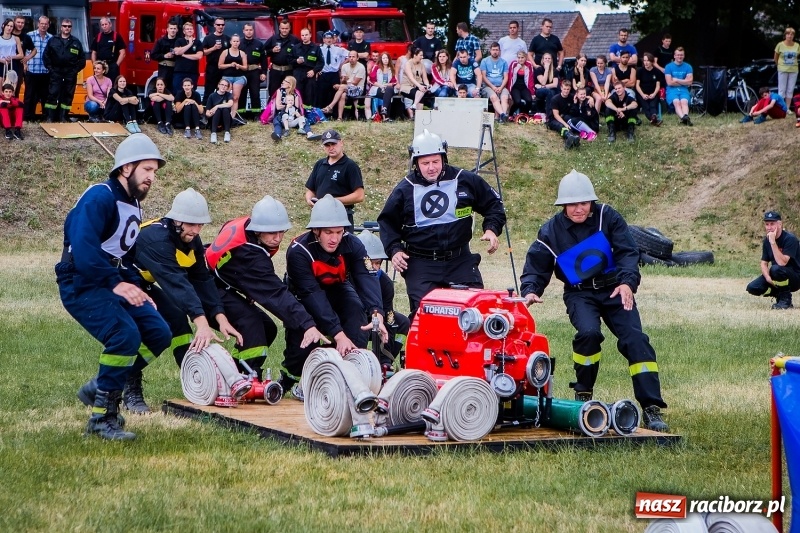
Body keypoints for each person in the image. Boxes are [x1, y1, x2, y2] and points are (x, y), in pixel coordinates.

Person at [519, 169, 668, 432]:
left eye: (584, 203)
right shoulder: (550, 231)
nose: (579, 209)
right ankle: (583, 394)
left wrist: (627, 283)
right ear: (563, 205)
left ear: (592, 203)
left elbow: (627, 253)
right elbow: (537, 266)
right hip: (580, 294)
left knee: (636, 340)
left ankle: (651, 408)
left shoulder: (607, 217)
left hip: (614, 289)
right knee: (588, 334)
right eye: (573, 204)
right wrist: (531, 290)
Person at [56, 134, 171, 440]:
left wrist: (135, 286)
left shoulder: (132, 205)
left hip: (109, 279)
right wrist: (115, 284)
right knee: (125, 335)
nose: (151, 177)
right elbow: (82, 249)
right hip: (80, 280)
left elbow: (122, 256)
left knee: (159, 333)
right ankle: (101, 419)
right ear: (126, 168)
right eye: (146, 169)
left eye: (154, 172)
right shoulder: (99, 197)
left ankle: (103, 385)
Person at [377, 130, 506, 319]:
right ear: (416, 163)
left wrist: (491, 229)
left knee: (473, 313)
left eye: (435, 161)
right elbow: (387, 222)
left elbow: (494, 204)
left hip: (460, 260)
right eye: (425, 163)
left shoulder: (465, 179)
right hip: (421, 264)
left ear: (443, 158)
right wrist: (394, 250)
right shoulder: (404, 189)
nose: (431, 168)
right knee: (426, 318)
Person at [206, 195, 326, 381]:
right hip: (207, 288)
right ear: (258, 230)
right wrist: (307, 324)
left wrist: (245, 285)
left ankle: (232, 372)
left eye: (281, 232)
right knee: (251, 325)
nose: (277, 238)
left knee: (268, 328)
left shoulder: (245, 224)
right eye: (272, 233)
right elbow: (276, 295)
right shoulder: (250, 256)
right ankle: (246, 379)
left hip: (221, 282)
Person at [283, 194, 387, 397]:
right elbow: (312, 295)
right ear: (315, 231)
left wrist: (377, 312)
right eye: (328, 232)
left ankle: (347, 376)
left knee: (356, 313)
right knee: (303, 343)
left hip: (337, 287)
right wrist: (338, 334)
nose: (334, 239)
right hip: (304, 295)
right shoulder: (298, 252)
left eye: (339, 232)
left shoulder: (353, 244)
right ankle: (292, 381)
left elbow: (366, 277)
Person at [134, 188, 243, 378]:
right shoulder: (157, 239)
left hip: (141, 284)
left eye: (200, 225)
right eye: (192, 224)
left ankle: (192, 377)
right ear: (176, 220)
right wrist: (201, 323)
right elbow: (176, 283)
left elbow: (201, 278)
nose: (196, 230)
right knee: (155, 328)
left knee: (176, 319)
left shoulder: (191, 238)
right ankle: (128, 377)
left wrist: (219, 315)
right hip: (117, 283)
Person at [357, 230, 410, 369]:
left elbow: (389, 317)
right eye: (371, 263)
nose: (376, 268)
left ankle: (383, 363)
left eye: (378, 263)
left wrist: (385, 357)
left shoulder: (385, 284)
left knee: (402, 323)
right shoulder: (349, 278)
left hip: (376, 319)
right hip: (354, 320)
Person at [305, 129, 364, 231]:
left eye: (333, 144)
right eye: (327, 145)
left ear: (341, 143)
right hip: (320, 216)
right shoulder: (319, 164)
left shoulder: (350, 166)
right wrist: (309, 199)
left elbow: (359, 195)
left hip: (341, 217)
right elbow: (311, 189)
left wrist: (332, 202)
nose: (331, 148)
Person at [746, 210, 800, 310]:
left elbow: (782, 262)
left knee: (776, 269)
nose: (769, 227)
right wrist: (767, 278)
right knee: (753, 288)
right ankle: (779, 293)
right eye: (767, 224)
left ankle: (786, 300)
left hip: (795, 277)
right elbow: (764, 262)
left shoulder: (790, 239)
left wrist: (773, 242)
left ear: (779, 224)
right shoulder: (767, 240)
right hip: (776, 275)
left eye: (772, 224)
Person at [42, 18, 84, 122]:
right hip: (55, 72)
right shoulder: (53, 40)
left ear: (71, 28)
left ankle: (64, 117)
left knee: (68, 95)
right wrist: (50, 69)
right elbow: (46, 55)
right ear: (61, 27)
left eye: (69, 26)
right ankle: (50, 117)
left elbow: (82, 59)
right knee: (52, 93)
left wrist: (75, 71)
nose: (67, 28)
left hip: (70, 73)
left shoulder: (76, 42)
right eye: (65, 26)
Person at [267, 75, 321, 141]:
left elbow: (297, 107)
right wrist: (287, 106)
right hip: (282, 115)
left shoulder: (296, 94)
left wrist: (297, 114)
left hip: (292, 116)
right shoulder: (279, 91)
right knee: (276, 121)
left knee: (304, 120)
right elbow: (278, 107)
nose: (282, 82)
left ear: (290, 85)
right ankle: (278, 135)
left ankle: (310, 134)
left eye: (285, 81)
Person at [321, 50, 365, 121]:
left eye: (353, 57)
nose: (351, 58)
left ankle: (330, 107)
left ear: (357, 58)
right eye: (350, 57)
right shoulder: (344, 66)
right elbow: (343, 82)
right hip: (347, 88)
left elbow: (355, 83)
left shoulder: (361, 67)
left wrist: (341, 85)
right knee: (342, 95)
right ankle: (339, 117)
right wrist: (343, 80)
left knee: (341, 87)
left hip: (358, 89)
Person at [24, 15, 51, 121]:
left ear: (48, 25)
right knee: (30, 96)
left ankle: (45, 117)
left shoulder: (51, 38)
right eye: (42, 24)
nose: (43, 26)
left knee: (45, 96)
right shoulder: (29, 36)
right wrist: (25, 64)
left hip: (45, 71)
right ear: (38, 24)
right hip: (32, 71)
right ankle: (28, 117)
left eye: (46, 24)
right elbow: (24, 51)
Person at [265, 20, 299, 100]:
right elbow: (263, 52)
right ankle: (272, 111)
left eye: (286, 28)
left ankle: (288, 111)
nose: (284, 30)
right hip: (275, 71)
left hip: (289, 71)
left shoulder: (295, 40)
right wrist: (272, 51)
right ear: (279, 28)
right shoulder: (273, 39)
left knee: (290, 92)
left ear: (289, 28)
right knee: (273, 92)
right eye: (283, 28)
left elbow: (300, 53)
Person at [218, 33, 247, 124]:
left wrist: (239, 66)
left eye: (237, 41)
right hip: (227, 77)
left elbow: (245, 67)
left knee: (235, 97)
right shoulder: (225, 52)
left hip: (239, 77)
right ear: (230, 42)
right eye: (234, 41)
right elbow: (220, 66)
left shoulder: (242, 53)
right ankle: (224, 115)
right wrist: (230, 65)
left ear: (239, 42)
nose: (235, 43)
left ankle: (232, 117)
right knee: (225, 97)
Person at [289, 28, 322, 107]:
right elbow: (289, 60)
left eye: (306, 35)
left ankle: (309, 114)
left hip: (310, 73)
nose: (304, 37)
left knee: (310, 94)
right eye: (302, 35)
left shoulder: (316, 48)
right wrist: (296, 61)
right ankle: (298, 112)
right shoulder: (296, 48)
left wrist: (314, 71)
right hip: (298, 72)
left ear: (310, 35)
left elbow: (321, 62)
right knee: (298, 93)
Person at [202, 17, 230, 106]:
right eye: (218, 24)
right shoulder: (208, 38)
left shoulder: (227, 39)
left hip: (224, 69)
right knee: (209, 91)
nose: (220, 26)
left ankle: (222, 111)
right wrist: (213, 48)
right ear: (214, 25)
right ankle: (205, 114)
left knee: (224, 91)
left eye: (222, 25)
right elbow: (203, 52)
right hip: (212, 68)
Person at [240, 23, 267, 115]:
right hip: (241, 72)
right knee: (241, 94)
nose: (249, 32)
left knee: (255, 93)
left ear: (253, 31)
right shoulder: (239, 43)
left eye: (250, 30)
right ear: (243, 31)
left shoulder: (259, 44)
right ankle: (241, 114)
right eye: (247, 30)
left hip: (254, 71)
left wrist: (263, 73)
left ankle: (256, 115)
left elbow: (264, 60)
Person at [480, 42, 510, 122]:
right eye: (493, 50)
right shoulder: (485, 61)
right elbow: (483, 76)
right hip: (488, 86)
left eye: (497, 50)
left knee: (504, 97)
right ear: (490, 50)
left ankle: (501, 117)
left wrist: (501, 87)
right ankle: (503, 115)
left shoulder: (504, 62)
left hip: (501, 86)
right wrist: (493, 87)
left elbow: (506, 77)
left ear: (499, 51)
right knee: (494, 97)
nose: (495, 51)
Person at [546, 79, 581, 149]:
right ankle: (570, 137)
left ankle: (572, 139)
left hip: (565, 117)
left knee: (570, 126)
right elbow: (556, 115)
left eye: (568, 89)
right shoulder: (555, 99)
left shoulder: (572, 97)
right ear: (561, 88)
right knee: (561, 126)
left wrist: (590, 98)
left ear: (570, 89)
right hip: (553, 119)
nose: (566, 91)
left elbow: (583, 96)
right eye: (564, 89)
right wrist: (565, 124)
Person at [317, 31, 347, 108]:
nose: (329, 40)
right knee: (322, 94)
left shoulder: (338, 49)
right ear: (323, 39)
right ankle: (322, 112)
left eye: (330, 38)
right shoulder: (319, 49)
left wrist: (342, 64)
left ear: (333, 39)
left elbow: (350, 55)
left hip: (334, 74)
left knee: (334, 93)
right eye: (327, 38)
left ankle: (333, 114)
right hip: (323, 74)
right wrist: (317, 70)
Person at [172, 22, 203, 96]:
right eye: (187, 29)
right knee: (178, 92)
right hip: (179, 71)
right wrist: (189, 44)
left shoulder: (198, 42)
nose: (189, 30)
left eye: (191, 29)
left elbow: (199, 56)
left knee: (191, 93)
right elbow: (177, 51)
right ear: (184, 31)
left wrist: (184, 55)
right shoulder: (179, 41)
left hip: (193, 72)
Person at [90, 17, 126, 81]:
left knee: (112, 87)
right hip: (100, 66)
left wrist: (116, 65)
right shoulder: (98, 36)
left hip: (112, 66)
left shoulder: (116, 36)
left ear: (110, 24)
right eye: (102, 25)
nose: (104, 26)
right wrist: (95, 65)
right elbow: (93, 52)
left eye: (106, 24)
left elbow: (122, 53)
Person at [664, 47, 693, 126]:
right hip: (672, 90)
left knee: (684, 102)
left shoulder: (688, 67)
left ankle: (685, 117)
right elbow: (669, 82)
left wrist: (676, 80)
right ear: (674, 56)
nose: (679, 57)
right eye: (678, 55)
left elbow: (690, 82)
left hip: (683, 90)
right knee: (677, 102)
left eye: (681, 55)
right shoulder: (668, 67)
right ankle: (684, 118)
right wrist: (684, 81)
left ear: (684, 56)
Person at [400, 47, 430, 118]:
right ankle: (418, 114)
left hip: (418, 86)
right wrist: (420, 86)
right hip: (407, 86)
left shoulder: (422, 64)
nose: (422, 57)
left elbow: (425, 78)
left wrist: (427, 85)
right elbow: (411, 78)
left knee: (422, 90)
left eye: (422, 55)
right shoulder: (408, 64)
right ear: (415, 55)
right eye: (421, 55)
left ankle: (415, 107)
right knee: (420, 92)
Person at [365, 51, 396, 121]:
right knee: (389, 93)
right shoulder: (376, 67)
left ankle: (384, 109)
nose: (385, 59)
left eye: (387, 58)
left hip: (387, 88)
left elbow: (394, 82)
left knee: (389, 90)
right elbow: (371, 80)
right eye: (384, 58)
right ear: (381, 59)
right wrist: (381, 86)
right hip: (377, 88)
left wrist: (386, 85)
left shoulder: (391, 68)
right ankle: (386, 116)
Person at [636, 52, 662, 126]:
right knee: (646, 106)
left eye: (648, 61)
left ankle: (654, 117)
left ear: (652, 61)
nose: (646, 63)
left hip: (653, 92)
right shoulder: (640, 71)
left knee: (653, 105)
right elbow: (637, 85)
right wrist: (643, 94)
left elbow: (658, 85)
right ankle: (653, 119)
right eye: (644, 60)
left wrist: (654, 94)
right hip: (642, 93)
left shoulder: (657, 72)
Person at [150, 21, 179, 87]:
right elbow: (153, 55)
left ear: (177, 30)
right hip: (164, 69)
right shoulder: (161, 41)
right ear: (167, 29)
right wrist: (164, 56)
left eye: (174, 29)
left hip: (176, 69)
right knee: (163, 88)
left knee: (175, 89)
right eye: (171, 28)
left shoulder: (179, 41)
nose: (173, 30)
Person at [205, 78, 233, 144]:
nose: (223, 86)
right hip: (215, 118)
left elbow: (230, 104)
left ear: (227, 88)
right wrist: (211, 112)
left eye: (226, 86)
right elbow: (207, 113)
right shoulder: (212, 96)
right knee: (217, 111)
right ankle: (213, 133)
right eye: (222, 84)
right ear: (218, 85)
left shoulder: (228, 95)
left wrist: (217, 106)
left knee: (225, 109)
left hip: (225, 118)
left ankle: (227, 132)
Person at [507, 49, 535, 115]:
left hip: (524, 87)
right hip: (515, 87)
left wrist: (532, 92)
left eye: (522, 57)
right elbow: (510, 78)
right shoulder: (514, 64)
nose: (520, 59)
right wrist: (509, 91)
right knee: (518, 102)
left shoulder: (529, 65)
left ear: (525, 58)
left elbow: (531, 79)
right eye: (519, 57)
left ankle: (524, 115)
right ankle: (510, 114)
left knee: (529, 100)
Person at [774, 28, 798, 102]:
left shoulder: (797, 45)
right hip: (782, 69)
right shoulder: (780, 45)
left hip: (793, 70)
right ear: (785, 35)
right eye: (788, 34)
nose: (790, 36)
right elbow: (775, 57)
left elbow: (796, 57)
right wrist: (779, 66)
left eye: (792, 34)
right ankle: (781, 107)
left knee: (790, 90)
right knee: (782, 90)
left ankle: (787, 108)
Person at [12, 16, 33, 99]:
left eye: (22, 23)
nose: (20, 24)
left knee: (16, 91)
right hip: (6, 65)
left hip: (19, 67)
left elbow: (34, 49)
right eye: (18, 22)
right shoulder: (6, 34)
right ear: (14, 22)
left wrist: (27, 58)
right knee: (5, 90)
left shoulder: (26, 37)